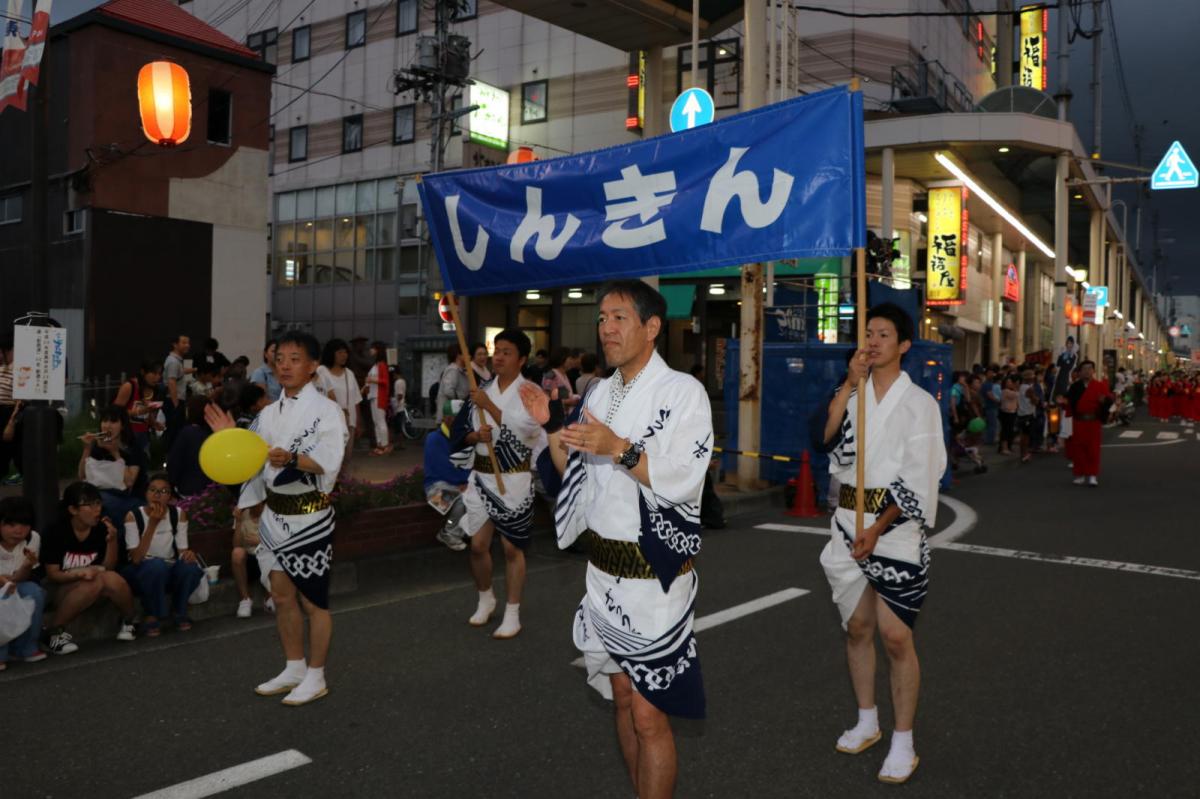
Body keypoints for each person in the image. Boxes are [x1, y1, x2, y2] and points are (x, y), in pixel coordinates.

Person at [522, 280, 712, 799]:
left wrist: (619, 447)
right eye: (602, 317)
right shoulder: (600, 393)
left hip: (655, 577)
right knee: (623, 696)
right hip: (603, 574)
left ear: (652, 327)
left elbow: (683, 479)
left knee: (651, 715)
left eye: (619, 317)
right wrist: (552, 427)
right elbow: (575, 470)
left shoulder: (683, 393)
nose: (606, 327)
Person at [818, 302, 944, 785]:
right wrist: (849, 384)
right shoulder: (853, 393)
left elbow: (922, 476)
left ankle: (904, 740)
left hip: (894, 528)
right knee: (857, 628)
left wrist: (880, 526)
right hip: (848, 521)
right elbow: (827, 438)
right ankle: (867, 719)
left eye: (883, 334)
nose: (872, 341)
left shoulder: (920, 405)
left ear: (904, 345)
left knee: (896, 636)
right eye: (867, 333)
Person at [206, 331, 347, 706]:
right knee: (282, 597)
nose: (285, 365)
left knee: (314, 600)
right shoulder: (269, 413)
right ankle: (294, 667)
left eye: (295, 358)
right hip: (274, 517)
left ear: (313, 365)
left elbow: (329, 462)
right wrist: (228, 437)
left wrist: (293, 459)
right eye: (280, 358)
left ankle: (316, 675)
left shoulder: (326, 411)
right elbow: (249, 457)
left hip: (310, 516)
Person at [449, 328, 545, 639]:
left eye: (506, 352)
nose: (499, 357)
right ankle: (485, 597)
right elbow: (458, 432)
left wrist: (489, 407)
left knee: (511, 547)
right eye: (497, 350)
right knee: (477, 545)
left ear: (522, 359)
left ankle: (513, 611)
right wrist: (475, 436)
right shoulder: (481, 388)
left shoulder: (530, 392)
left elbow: (530, 432)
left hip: (514, 478)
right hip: (481, 476)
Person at [40, 482, 138, 654]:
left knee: (112, 579)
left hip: (94, 584)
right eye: (89, 505)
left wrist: (112, 540)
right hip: (59, 587)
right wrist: (79, 573)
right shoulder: (56, 531)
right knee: (93, 581)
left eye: (98, 503)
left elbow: (108, 567)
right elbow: (53, 574)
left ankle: (130, 621)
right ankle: (54, 632)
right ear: (73, 510)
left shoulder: (101, 529)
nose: (96, 509)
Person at [120, 473, 203, 635]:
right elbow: (136, 559)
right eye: (153, 490)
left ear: (170, 496)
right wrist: (152, 524)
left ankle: (179, 611)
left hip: (167, 567)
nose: (157, 495)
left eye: (164, 491)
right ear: (146, 493)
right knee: (156, 566)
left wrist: (188, 555)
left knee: (190, 567)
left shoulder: (177, 514)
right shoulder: (133, 516)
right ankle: (151, 614)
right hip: (140, 571)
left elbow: (181, 551)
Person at [78, 406, 149, 526]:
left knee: (103, 505)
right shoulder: (97, 445)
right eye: (105, 421)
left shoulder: (132, 447)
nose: (107, 426)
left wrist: (115, 453)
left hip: (130, 497)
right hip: (102, 494)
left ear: (123, 426)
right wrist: (87, 449)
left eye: (113, 421)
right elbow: (82, 476)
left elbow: (130, 482)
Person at [0, 497, 47, 669]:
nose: (18, 531)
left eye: (25, 525)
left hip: (13, 584)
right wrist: (5, 581)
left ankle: (26, 647)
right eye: (11, 525)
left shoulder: (33, 538)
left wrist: (27, 566)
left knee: (35, 592)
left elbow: (23, 577)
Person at [424, 399, 471, 552]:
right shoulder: (434, 439)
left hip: (459, 484)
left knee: (477, 497)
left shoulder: (464, 437)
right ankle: (449, 531)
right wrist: (463, 483)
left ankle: (464, 531)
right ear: (446, 418)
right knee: (461, 500)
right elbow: (441, 469)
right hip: (434, 490)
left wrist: (468, 483)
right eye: (457, 418)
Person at [1065, 360, 1112, 487]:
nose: (1087, 371)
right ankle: (1079, 474)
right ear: (1080, 372)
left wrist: (1104, 401)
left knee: (1093, 449)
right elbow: (1069, 404)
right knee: (1078, 448)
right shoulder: (1075, 387)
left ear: (1093, 371)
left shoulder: (1100, 385)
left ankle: (1092, 475)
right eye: (1084, 369)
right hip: (1078, 422)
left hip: (1093, 422)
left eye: (1089, 368)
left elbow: (1109, 401)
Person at [317, 338, 362, 469]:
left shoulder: (349, 374)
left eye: (345, 352)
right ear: (331, 353)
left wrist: (358, 422)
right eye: (340, 352)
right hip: (329, 423)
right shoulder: (322, 370)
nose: (344, 355)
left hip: (349, 422)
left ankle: (343, 486)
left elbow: (356, 400)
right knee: (331, 460)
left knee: (346, 458)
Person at [167, 396, 214, 498]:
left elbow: (174, 462)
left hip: (189, 488)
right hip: (212, 488)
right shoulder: (214, 433)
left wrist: (171, 483)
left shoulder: (187, 433)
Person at [114, 360, 163, 456]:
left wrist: (154, 423)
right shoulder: (129, 386)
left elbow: (147, 414)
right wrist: (139, 412)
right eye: (153, 373)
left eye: (159, 374)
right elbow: (116, 411)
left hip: (143, 435)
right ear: (143, 372)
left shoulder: (154, 389)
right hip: (126, 435)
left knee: (142, 466)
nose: (157, 377)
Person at [163, 335, 194, 448]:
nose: (187, 345)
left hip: (175, 401)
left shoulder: (175, 361)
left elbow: (179, 373)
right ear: (175, 344)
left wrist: (194, 369)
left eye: (188, 343)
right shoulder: (173, 362)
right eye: (184, 342)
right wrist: (176, 404)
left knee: (175, 432)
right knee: (174, 433)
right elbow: (171, 382)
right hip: (174, 401)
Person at [365, 341, 392, 457]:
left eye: (372, 348)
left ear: (377, 350)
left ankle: (384, 445)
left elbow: (385, 381)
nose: (370, 350)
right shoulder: (377, 365)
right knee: (377, 422)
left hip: (378, 396)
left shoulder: (381, 364)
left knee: (380, 421)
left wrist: (372, 381)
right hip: (373, 395)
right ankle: (380, 444)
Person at [998, 376, 1019, 455]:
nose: (1010, 384)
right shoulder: (1005, 391)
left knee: (1010, 431)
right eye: (1008, 382)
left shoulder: (1010, 391)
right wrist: (1016, 387)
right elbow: (1016, 395)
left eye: (1011, 382)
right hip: (1006, 413)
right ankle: (1004, 448)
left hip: (1012, 412)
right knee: (1006, 431)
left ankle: (1008, 447)